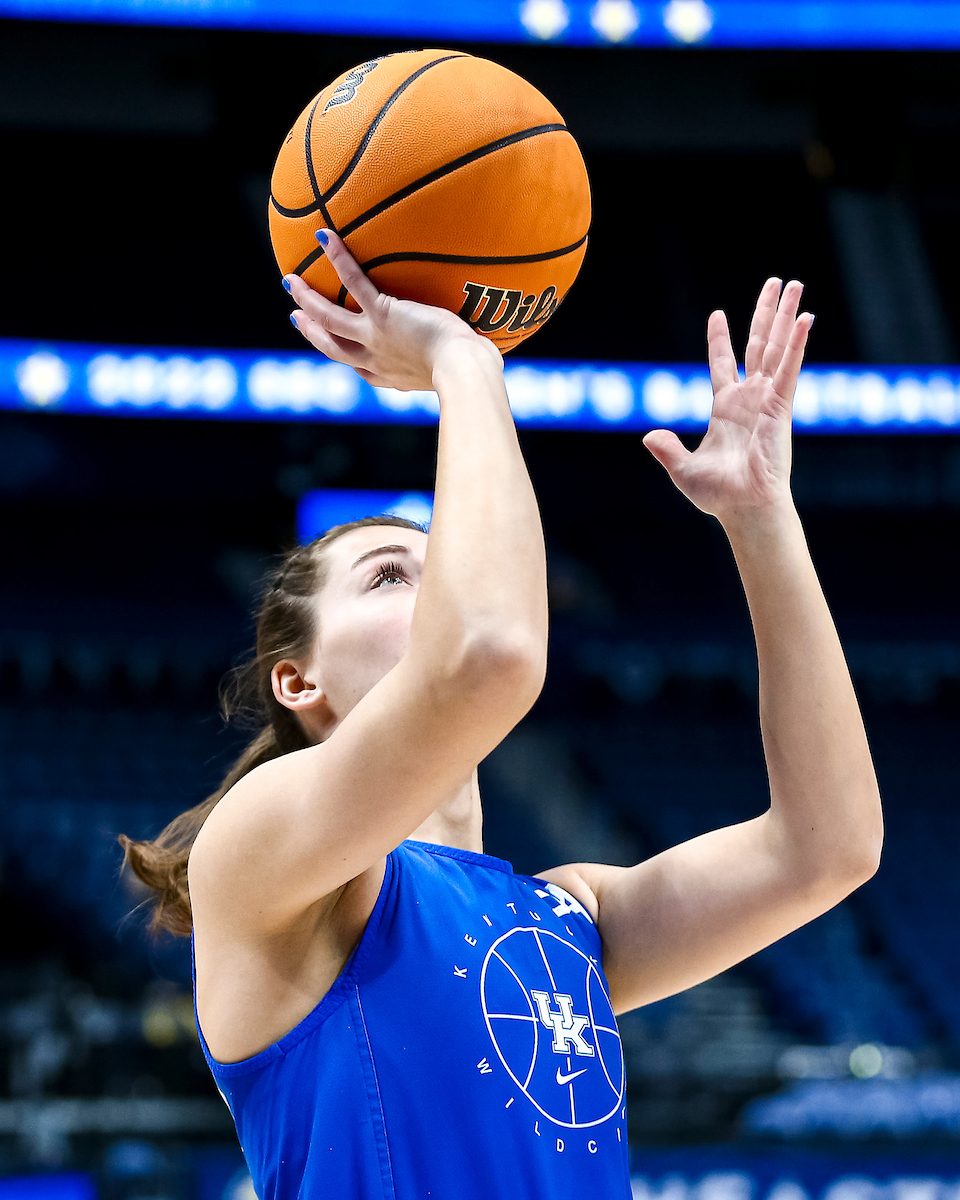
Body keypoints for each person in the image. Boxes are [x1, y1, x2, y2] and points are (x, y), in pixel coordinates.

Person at [122, 231, 883, 1200]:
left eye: (440, 558)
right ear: (297, 682)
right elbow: (488, 654)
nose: (442, 577)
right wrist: (463, 362)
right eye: (391, 574)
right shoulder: (261, 848)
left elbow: (831, 846)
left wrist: (761, 517)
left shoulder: (566, 918)